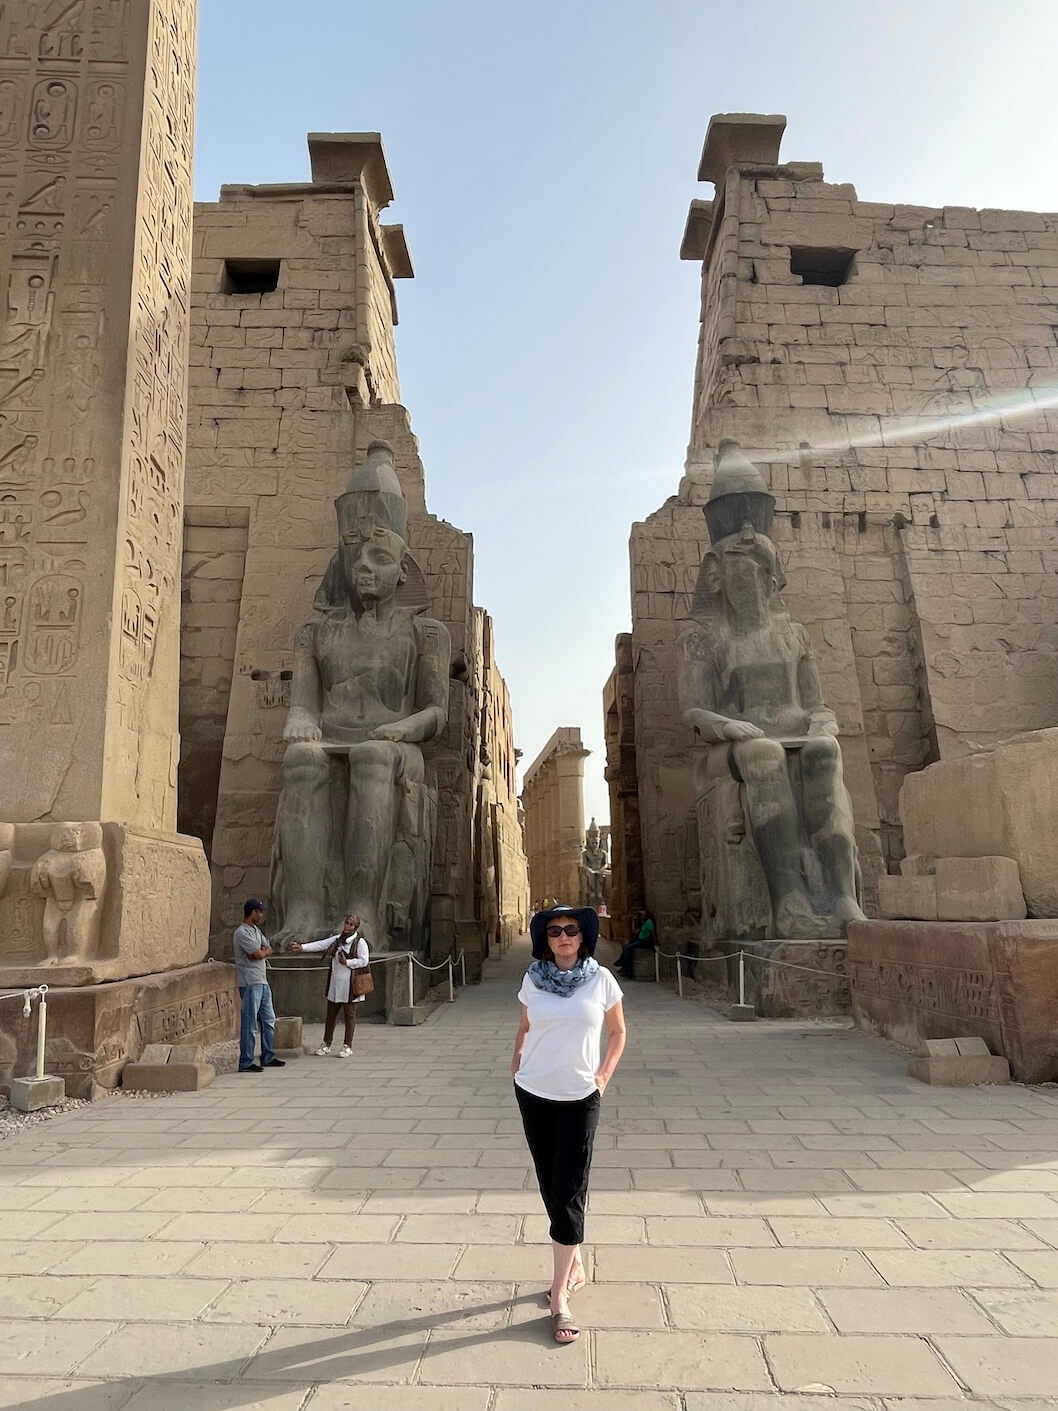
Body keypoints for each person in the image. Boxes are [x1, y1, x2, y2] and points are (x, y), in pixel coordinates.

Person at [511, 903, 626, 1346]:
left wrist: (602, 1078)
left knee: (569, 1186)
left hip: (580, 1096)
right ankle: (573, 1261)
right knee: (548, 1183)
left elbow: (618, 1033)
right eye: (556, 930)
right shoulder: (532, 979)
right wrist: (516, 1064)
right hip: (533, 1092)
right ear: (546, 938)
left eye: (572, 930)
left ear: (583, 937)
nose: (563, 936)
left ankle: (560, 1293)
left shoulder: (601, 980)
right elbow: (524, 1025)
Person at [290, 914, 370, 1056]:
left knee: (349, 1016)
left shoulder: (360, 942)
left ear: (355, 927)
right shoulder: (337, 940)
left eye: (351, 924)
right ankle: (327, 1043)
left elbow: (364, 961)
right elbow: (321, 944)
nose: (347, 926)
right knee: (331, 1015)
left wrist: (348, 962)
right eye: (346, 923)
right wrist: (302, 947)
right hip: (335, 983)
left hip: (350, 985)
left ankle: (347, 1045)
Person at [233, 899, 285, 1073]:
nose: (261, 915)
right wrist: (261, 952)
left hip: (262, 980)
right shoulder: (242, 933)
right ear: (253, 912)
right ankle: (246, 1061)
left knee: (268, 1019)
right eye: (260, 912)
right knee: (250, 1023)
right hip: (249, 982)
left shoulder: (256, 931)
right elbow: (256, 954)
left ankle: (268, 1055)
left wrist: (262, 952)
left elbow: (267, 948)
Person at [615, 910, 656, 978]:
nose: (642, 916)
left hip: (645, 941)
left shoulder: (649, 922)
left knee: (628, 949)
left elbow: (653, 933)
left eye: (643, 915)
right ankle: (623, 964)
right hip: (640, 940)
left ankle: (627, 970)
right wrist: (634, 921)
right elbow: (635, 931)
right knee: (625, 946)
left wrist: (654, 944)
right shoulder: (643, 923)